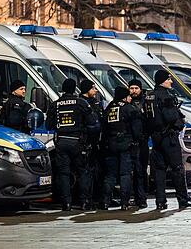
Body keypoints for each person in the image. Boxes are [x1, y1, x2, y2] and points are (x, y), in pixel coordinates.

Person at [146, 70, 191, 210]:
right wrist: (179, 122)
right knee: (177, 168)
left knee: (159, 170)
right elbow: (171, 118)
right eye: (169, 79)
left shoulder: (149, 96)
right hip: (169, 138)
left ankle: (160, 201)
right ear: (162, 80)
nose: (171, 81)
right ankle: (183, 199)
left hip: (156, 137)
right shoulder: (166, 96)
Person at [46, 78, 100, 211]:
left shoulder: (56, 104)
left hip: (61, 142)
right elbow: (92, 121)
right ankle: (83, 202)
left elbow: (49, 125)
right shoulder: (81, 103)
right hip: (77, 142)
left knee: (63, 173)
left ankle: (66, 203)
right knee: (83, 172)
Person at [101, 86, 143, 210]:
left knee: (110, 175)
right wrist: (137, 140)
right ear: (124, 97)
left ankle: (105, 201)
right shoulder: (129, 109)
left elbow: (104, 127)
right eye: (129, 96)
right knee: (125, 174)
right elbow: (137, 129)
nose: (130, 98)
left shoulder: (109, 108)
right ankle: (124, 202)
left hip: (110, 144)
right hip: (126, 144)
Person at [79, 79, 105, 208]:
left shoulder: (95, 102)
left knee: (96, 171)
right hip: (86, 142)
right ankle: (86, 200)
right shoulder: (81, 103)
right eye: (93, 88)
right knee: (86, 172)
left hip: (96, 142)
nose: (95, 91)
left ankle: (96, 197)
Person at [129, 79, 149, 208]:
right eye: (132, 88)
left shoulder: (145, 102)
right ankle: (136, 197)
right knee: (133, 171)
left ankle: (142, 198)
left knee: (141, 170)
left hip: (142, 141)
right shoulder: (126, 102)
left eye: (136, 88)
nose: (134, 91)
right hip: (130, 141)